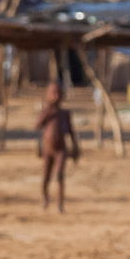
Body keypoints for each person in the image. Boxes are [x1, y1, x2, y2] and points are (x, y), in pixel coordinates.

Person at [35, 82, 81, 213]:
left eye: (58, 93)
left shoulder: (64, 114)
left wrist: (75, 147)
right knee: (46, 176)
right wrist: (48, 112)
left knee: (60, 175)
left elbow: (71, 131)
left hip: (61, 149)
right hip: (47, 150)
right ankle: (45, 198)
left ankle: (60, 204)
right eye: (53, 93)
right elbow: (37, 126)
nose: (56, 96)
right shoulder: (46, 112)